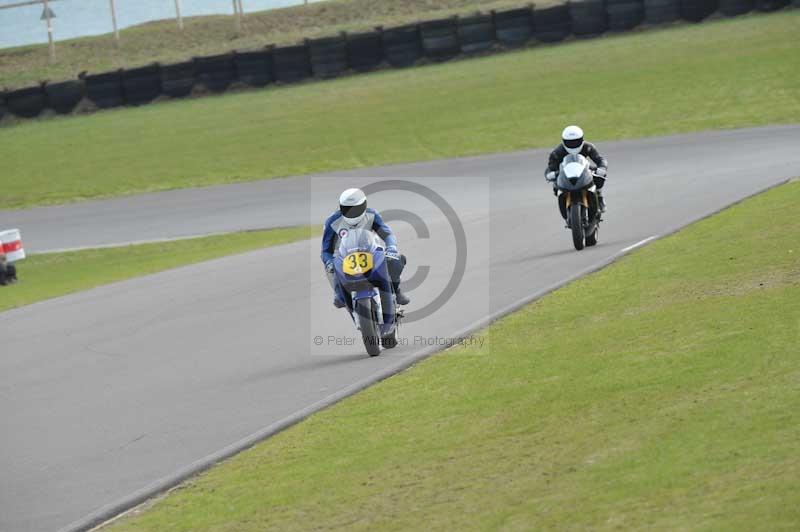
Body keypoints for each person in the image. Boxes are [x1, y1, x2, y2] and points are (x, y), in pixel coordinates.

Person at [321, 188, 410, 308]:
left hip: (371, 252)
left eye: (355, 209)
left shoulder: (371, 215)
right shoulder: (332, 221)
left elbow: (387, 234)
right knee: (338, 297)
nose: (351, 213)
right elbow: (326, 250)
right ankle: (340, 294)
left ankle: (396, 289)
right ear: (341, 207)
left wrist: (391, 247)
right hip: (345, 258)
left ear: (364, 205)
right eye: (347, 209)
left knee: (396, 259)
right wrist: (329, 262)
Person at [545, 125, 609, 213]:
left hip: (584, 170)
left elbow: (600, 159)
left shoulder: (588, 147)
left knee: (600, 176)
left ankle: (599, 196)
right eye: (570, 142)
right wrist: (550, 174)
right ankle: (564, 204)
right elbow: (550, 167)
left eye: (576, 141)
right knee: (555, 187)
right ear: (563, 141)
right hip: (565, 173)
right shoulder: (557, 152)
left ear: (582, 140)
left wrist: (602, 167)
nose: (573, 145)